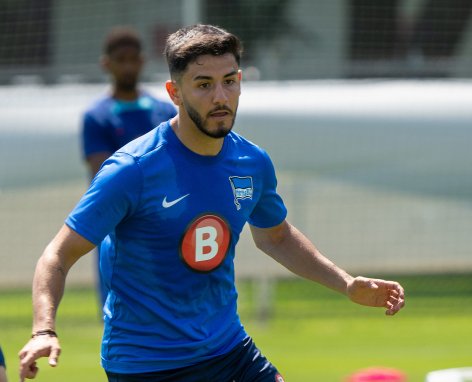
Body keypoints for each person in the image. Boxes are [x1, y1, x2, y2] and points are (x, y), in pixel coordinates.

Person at [18, 24, 405, 382]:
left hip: (229, 349)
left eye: (229, 81)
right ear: (174, 92)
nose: (221, 97)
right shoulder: (132, 170)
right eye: (203, 84)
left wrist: (348, 284)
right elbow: (57, 256)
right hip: (147, 365)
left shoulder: (251, 162)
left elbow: (277, 238)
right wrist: (43, 330)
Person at [81, 26, 177, 309]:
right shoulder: (97, 116)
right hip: (118, 224)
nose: (127, 66)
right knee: (120, 310)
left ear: (142, 61)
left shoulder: (165, 112)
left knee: (173, 308)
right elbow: (103, 174)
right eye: (120, 59)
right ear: (106, 64)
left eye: (132, 58)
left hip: (166, 219)